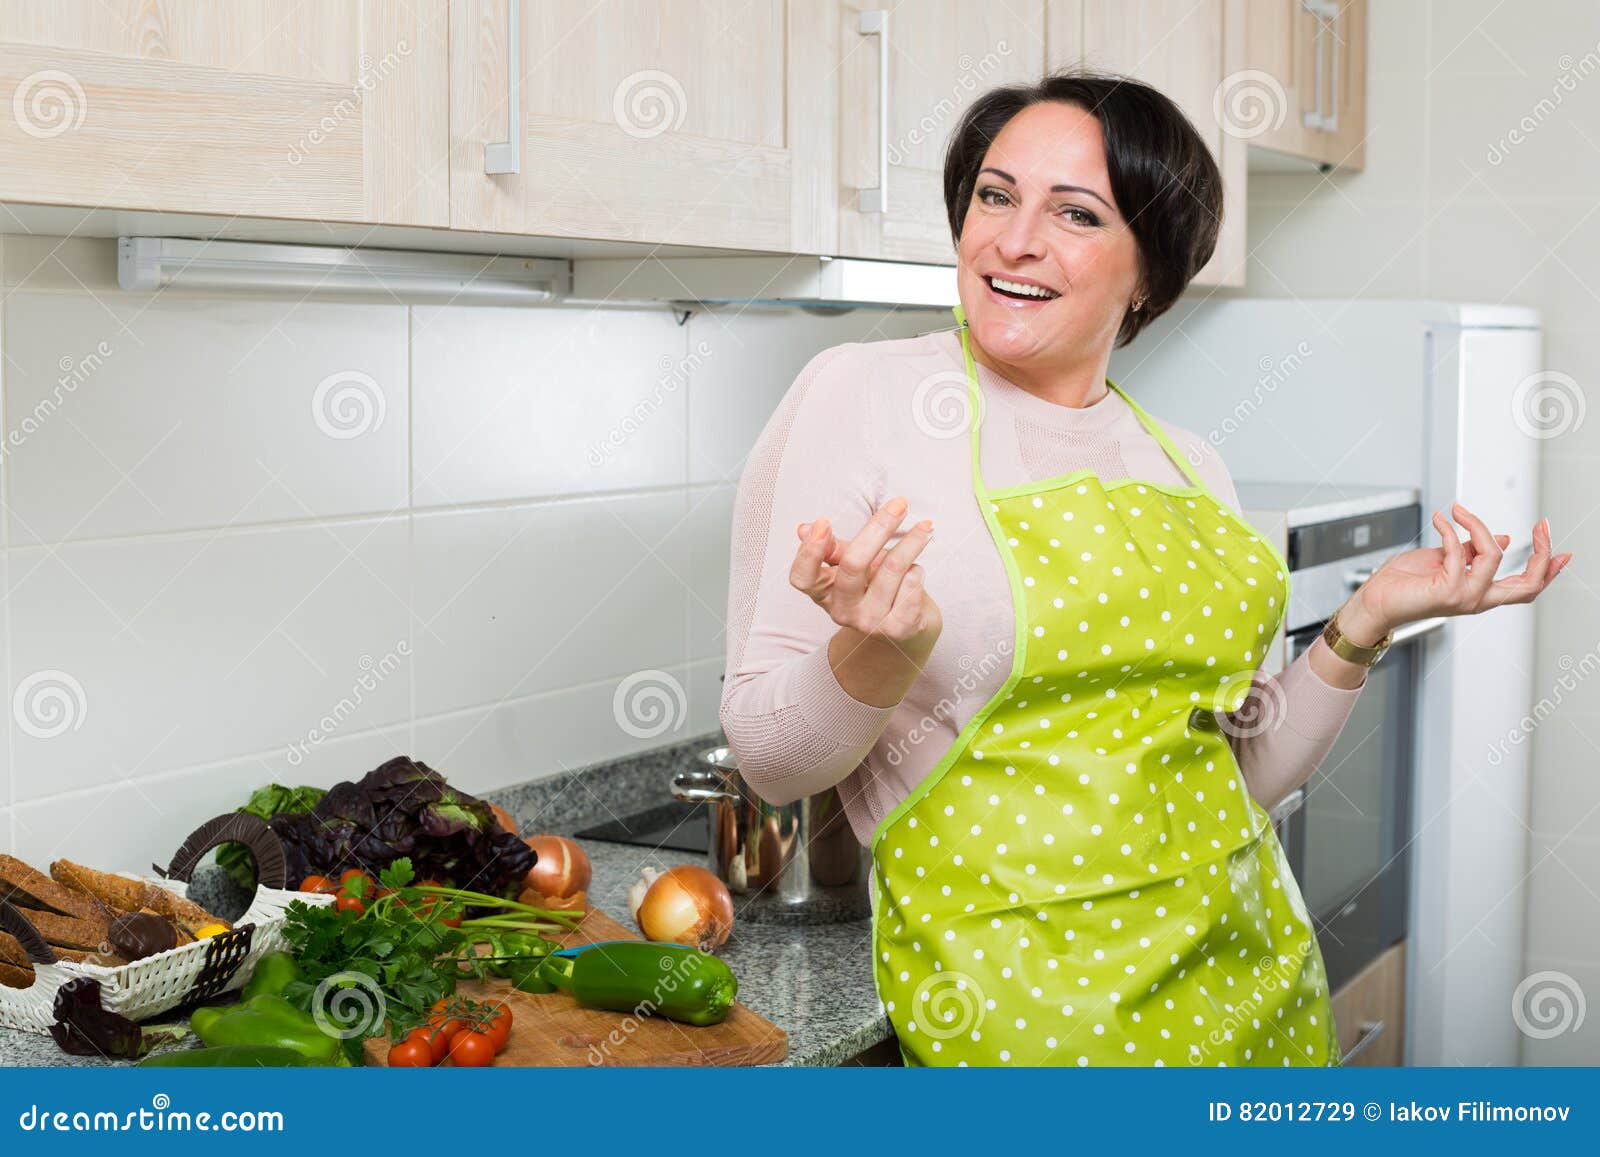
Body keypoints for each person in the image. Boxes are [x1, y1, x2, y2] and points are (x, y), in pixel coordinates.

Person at [719, 69, 1571, 1067]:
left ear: (1150, 273)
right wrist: (881, 649)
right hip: (1026, 1037)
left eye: (1074, 212)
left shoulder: (1184, 461)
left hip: (1253, 995)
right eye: (995, 195)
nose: (1013, 238)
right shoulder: (860, 396)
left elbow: (1234, 772)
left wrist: (1365, 619)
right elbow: (771, 757)